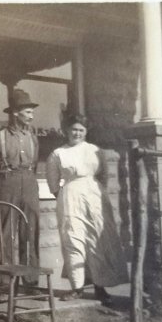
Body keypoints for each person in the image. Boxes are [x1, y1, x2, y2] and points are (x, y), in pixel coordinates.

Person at [46, 113, 128, 306]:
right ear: (67, 131)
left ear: (86, 131)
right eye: (74, 129)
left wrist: (98, 193)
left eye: (81, 130)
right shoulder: (58, 153)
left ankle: (100, 285)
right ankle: (77, 287)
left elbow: (105, 176)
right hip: (70, 195)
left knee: (97, 237)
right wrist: (63, 195)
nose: (77, 133)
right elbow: (52, 182)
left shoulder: (94, 150)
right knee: (73, 238)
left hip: (94, 195)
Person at [0, 89, 41, 287]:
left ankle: (31, 280)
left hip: (29, 183)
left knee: (30, 230)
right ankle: (6, 281)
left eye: (32, 112)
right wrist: (2, 186)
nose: (31, 115)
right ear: (15, 112)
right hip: (6, 183)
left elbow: (34, 164)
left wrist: (26, 182)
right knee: (7, 232)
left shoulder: (33, 138)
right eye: (28, 111)